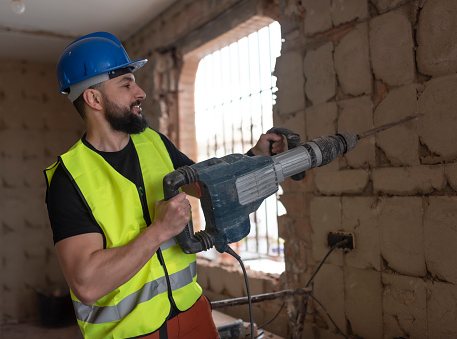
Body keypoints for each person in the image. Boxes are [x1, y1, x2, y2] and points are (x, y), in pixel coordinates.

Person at [44, 32, 286, 339]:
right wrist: (160, 230)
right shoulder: (68, 178)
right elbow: (87, 285)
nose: (141, 92)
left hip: (193, 311)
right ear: (93, 98)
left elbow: (206, 186)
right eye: (126, 84)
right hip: (130, 332)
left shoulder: (154, 142)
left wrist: (256, 157)